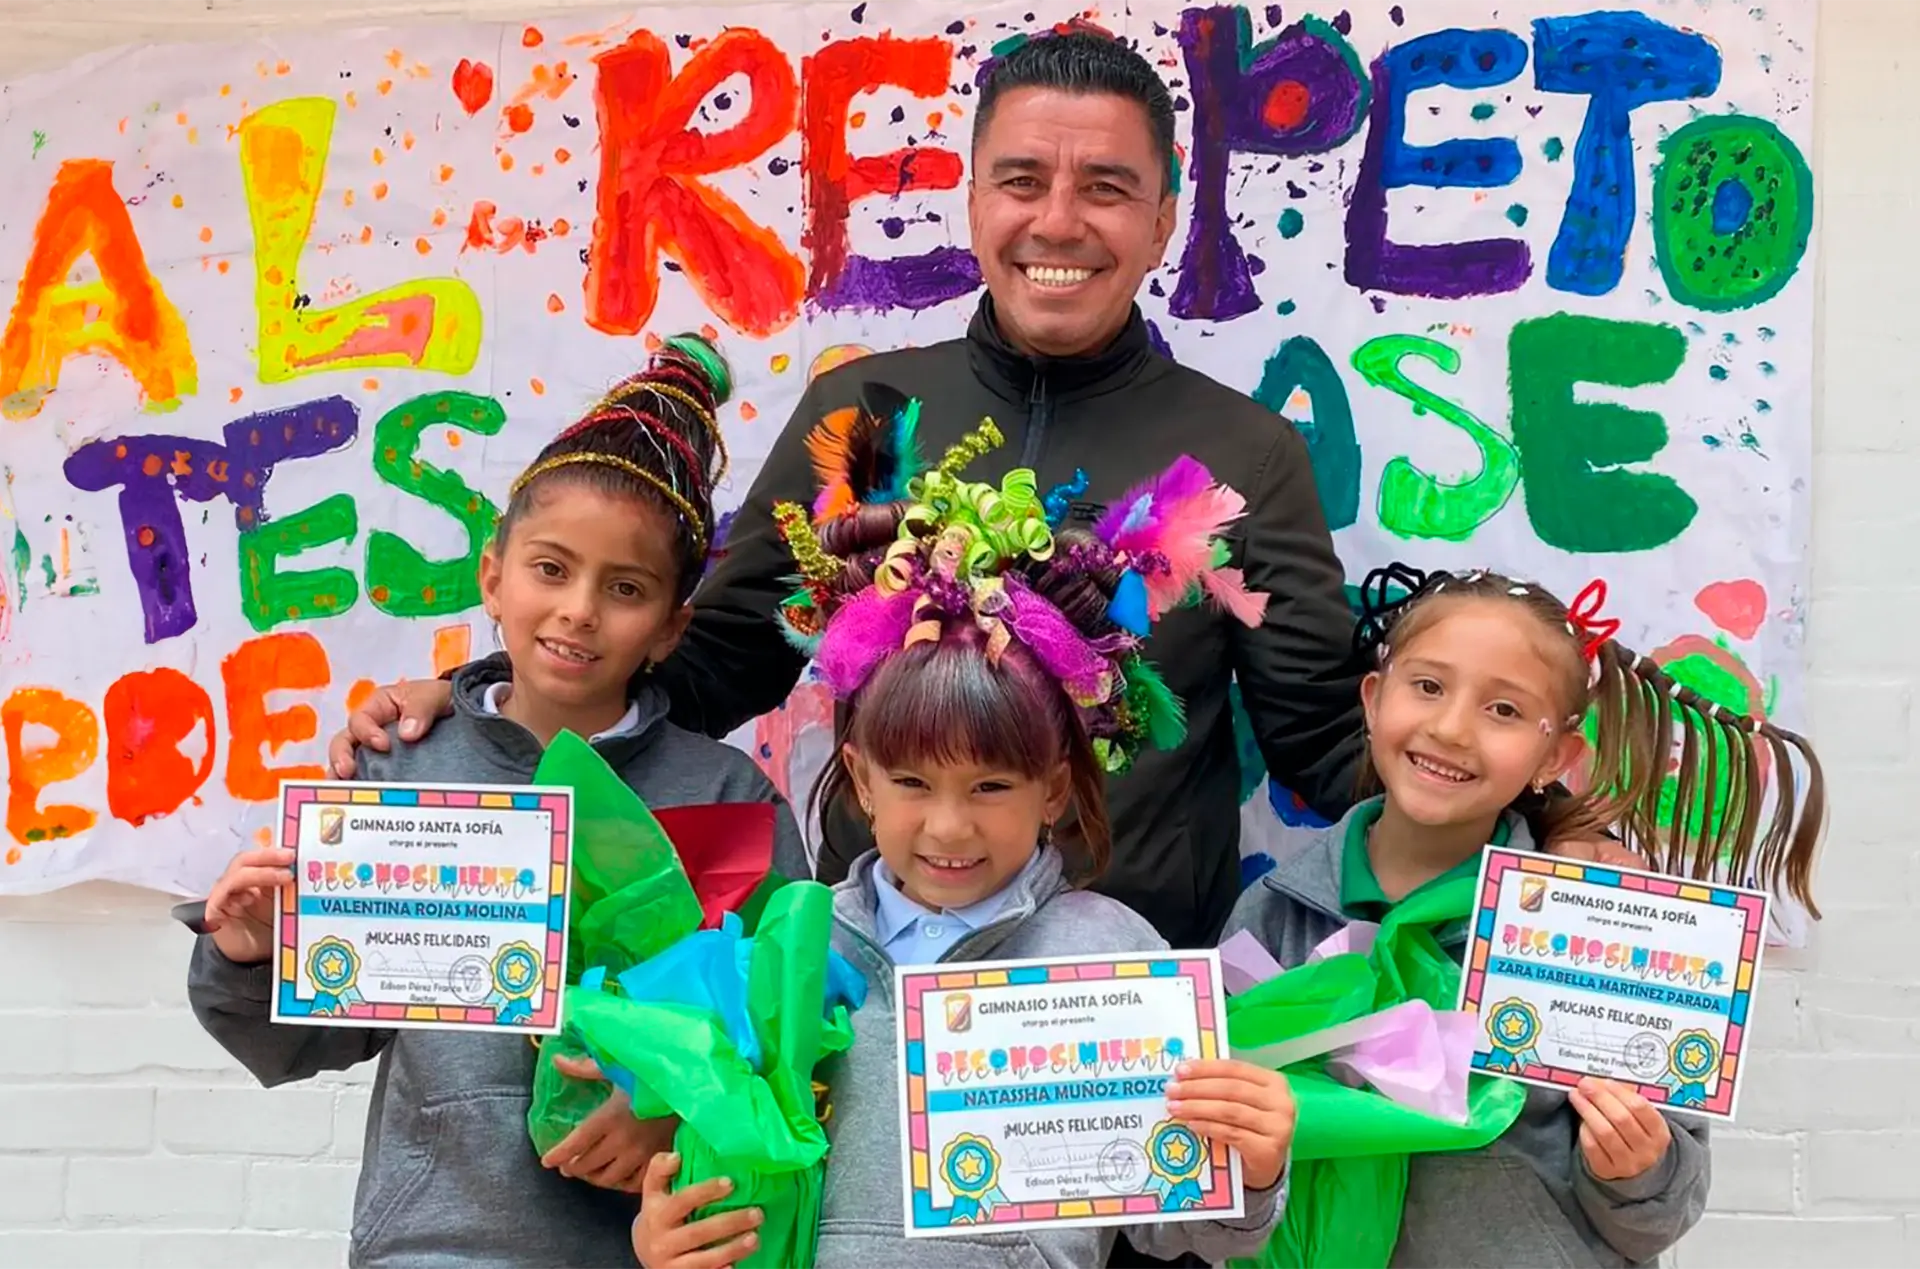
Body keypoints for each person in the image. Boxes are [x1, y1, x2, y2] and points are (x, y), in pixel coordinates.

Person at [328, 31, 1365, 955]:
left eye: (1104, 186)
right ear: (972, 202)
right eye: (1020, 181)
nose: (1058, 221)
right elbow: (711, 665)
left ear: (1163, 219)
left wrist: (1528, 804)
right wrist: (490, 706)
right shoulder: (867, 413)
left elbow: (1320, 746)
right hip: (867, 980)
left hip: (1115, 993)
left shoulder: (1243, 451)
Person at [186, 338, 810, 1269]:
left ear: (673, 625)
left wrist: (672, 1105)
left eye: (627, 589)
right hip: (436, 1238)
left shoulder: (726, 795)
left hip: (652, 1248)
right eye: (550, 569)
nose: (579, 611)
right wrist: (247, 949)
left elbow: (794, 1044)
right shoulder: (402, 766)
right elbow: (306, 1039)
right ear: (492, 575)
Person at [631, 416, 1295, 1269]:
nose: (948, 826)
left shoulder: (1114, 953)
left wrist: (1254, 1161)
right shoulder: (787, 946)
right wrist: (664, 1237)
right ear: (862, 779)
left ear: (1054, 786)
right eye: (911, 784)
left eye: (990, 787)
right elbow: (722, 1178)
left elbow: (1184, 1224)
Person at [1223, 567, 1828, 1268]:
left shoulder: (1598, 925)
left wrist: (1634, 1168)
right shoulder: (1271, 916)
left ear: (1556, 757)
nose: (1451, 728)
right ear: (1372, 699)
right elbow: (1221, 1187)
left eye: (1505, 710)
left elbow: (1659, 1215)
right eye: (1427, 686)